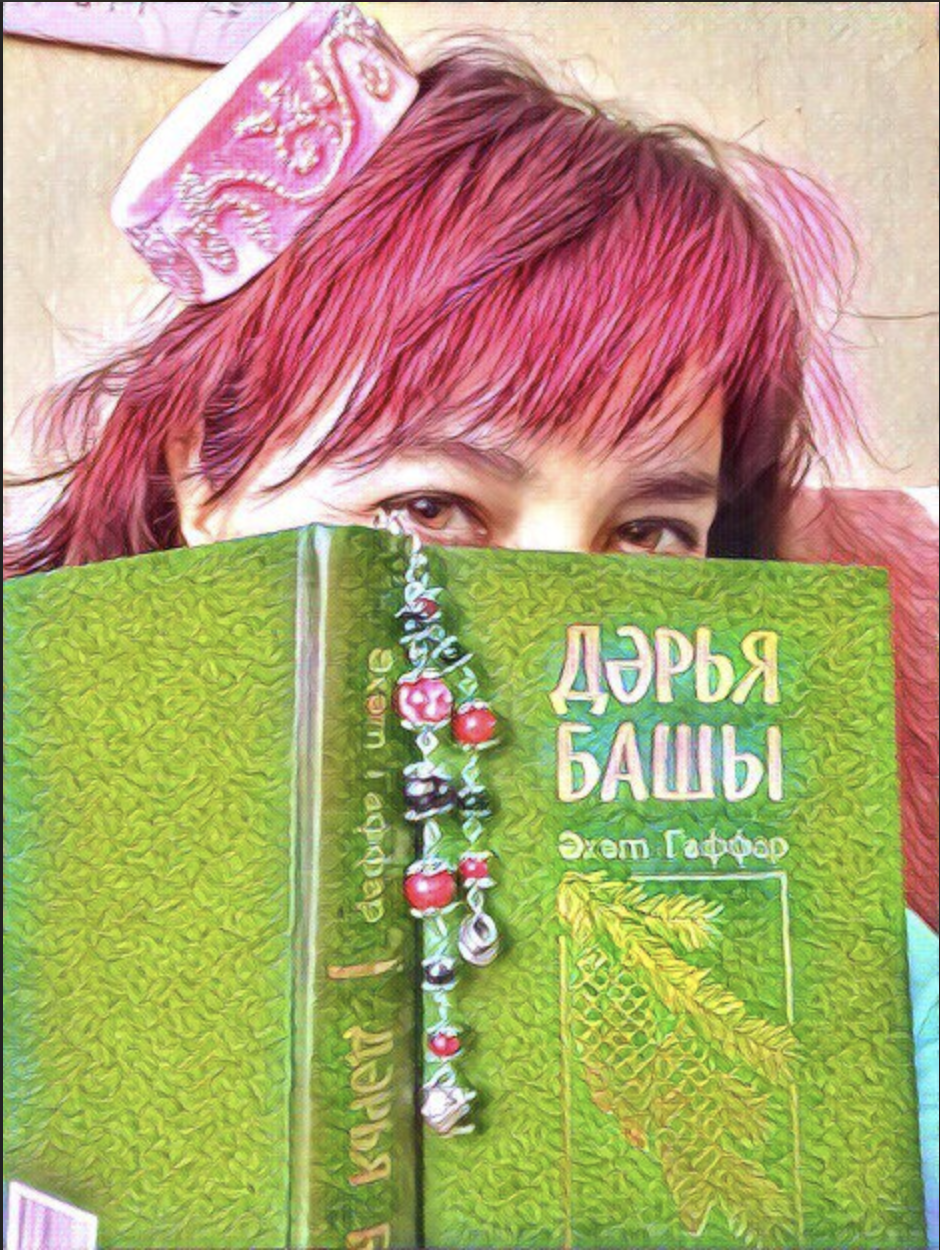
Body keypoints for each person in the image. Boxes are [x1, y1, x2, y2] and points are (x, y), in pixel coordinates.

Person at [3, 4, 937, 1241]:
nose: (559, 618)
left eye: (648, 531)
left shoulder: (819, 925)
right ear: (203, 484)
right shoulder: (40, 821)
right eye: (432, 507)